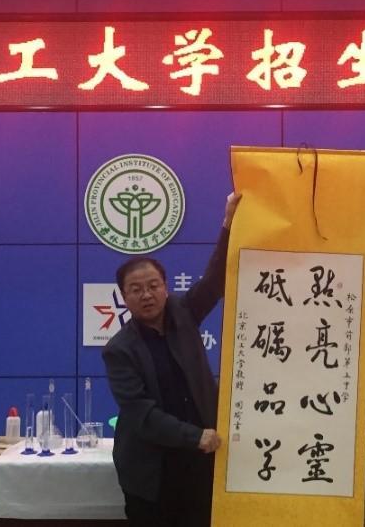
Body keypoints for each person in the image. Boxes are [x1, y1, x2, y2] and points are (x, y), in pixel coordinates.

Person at [103, 192, 241, 527]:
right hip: (152, 473)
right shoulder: (119, 350)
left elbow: (215, 279)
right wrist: (195, 436)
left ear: (166, 287)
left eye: (153, 285)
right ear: (124, 298)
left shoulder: (184, 312)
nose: (146, 295)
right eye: (136, 289)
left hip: (200, 464)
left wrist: (229, 223)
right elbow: (143, 416)